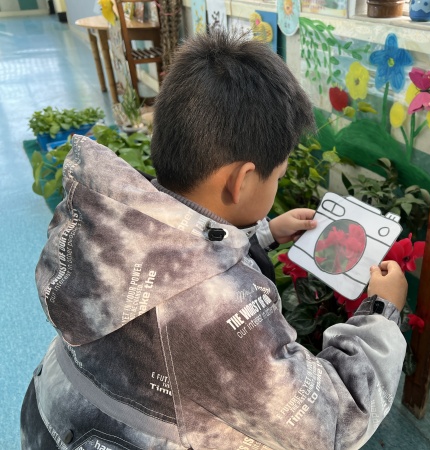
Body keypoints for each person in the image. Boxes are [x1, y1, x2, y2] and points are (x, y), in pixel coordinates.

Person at [21, 31, 408, 450]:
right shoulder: (220, 311)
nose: (278, 184)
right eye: (278, 176)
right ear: (241, 180)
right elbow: (329, 426)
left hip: (55, 417)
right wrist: (381, 314)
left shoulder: (106, 223)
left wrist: (262, 234)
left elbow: (174, 255)